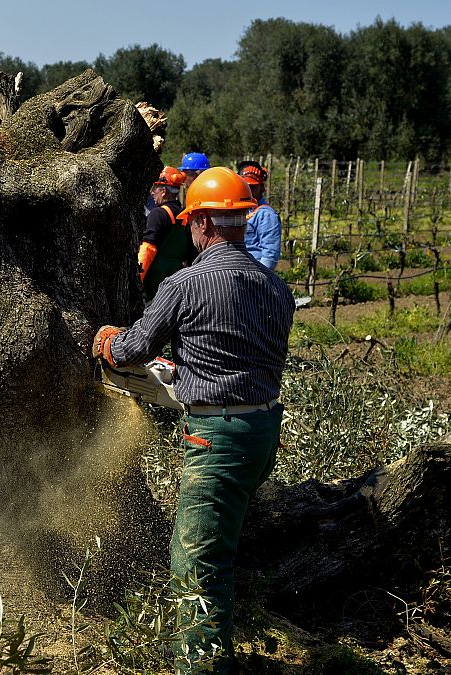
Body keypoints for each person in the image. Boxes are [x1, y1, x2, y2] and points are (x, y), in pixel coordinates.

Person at [92, 167, 294, 674]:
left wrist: (107, 342)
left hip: (217, 433)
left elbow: (136, 347)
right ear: (243, 222)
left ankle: (200, 665)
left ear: (201, 223)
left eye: (191, 223)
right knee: (220, 541)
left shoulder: (187, 282)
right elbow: (245, 350)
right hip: (263, 427)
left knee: (197, 560)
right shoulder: (275, 286)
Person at [140, 166, 194, 301]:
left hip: (154, 284)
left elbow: (148, 249)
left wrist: (137, 279)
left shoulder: (158, 214)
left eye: (155, 188)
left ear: (163, 191)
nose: (152, 193)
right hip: (178, 283)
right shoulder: (185, 216)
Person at [238, 161, 281, 270]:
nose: (249, 191)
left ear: (261, 188)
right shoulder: (240, 210)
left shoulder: (266, 215)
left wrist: (259, 278)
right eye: (246, 186)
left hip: (254, 274)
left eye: (253, 187)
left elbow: (270, 256)